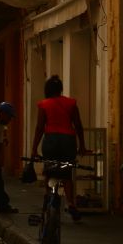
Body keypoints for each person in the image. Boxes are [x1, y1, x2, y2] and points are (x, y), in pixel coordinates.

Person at [31, 75, 88, 221]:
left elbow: (39, 128)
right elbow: (78, 125)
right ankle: (70, 203)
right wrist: (82, 145)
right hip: (68, 140)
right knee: (66, 173)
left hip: (51, 139)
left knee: (49, 171)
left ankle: (48, 200)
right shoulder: (71, 103)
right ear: (60, 89)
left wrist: (34, 149)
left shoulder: (44, 104)